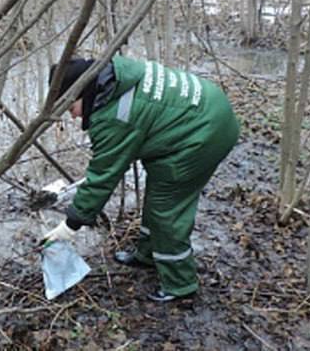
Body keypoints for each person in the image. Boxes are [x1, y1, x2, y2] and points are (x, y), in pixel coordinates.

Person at [43, 56, 239, 302]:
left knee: (167, 211)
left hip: (205, 132)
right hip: (206, 109)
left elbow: (103, 175)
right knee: (159, 192)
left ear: (84, 92)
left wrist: (71, 224)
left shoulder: (113, 116)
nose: (72, 117)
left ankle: (181, 285)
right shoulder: (117, 75)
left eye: (71, 108)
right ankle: (147, 254)